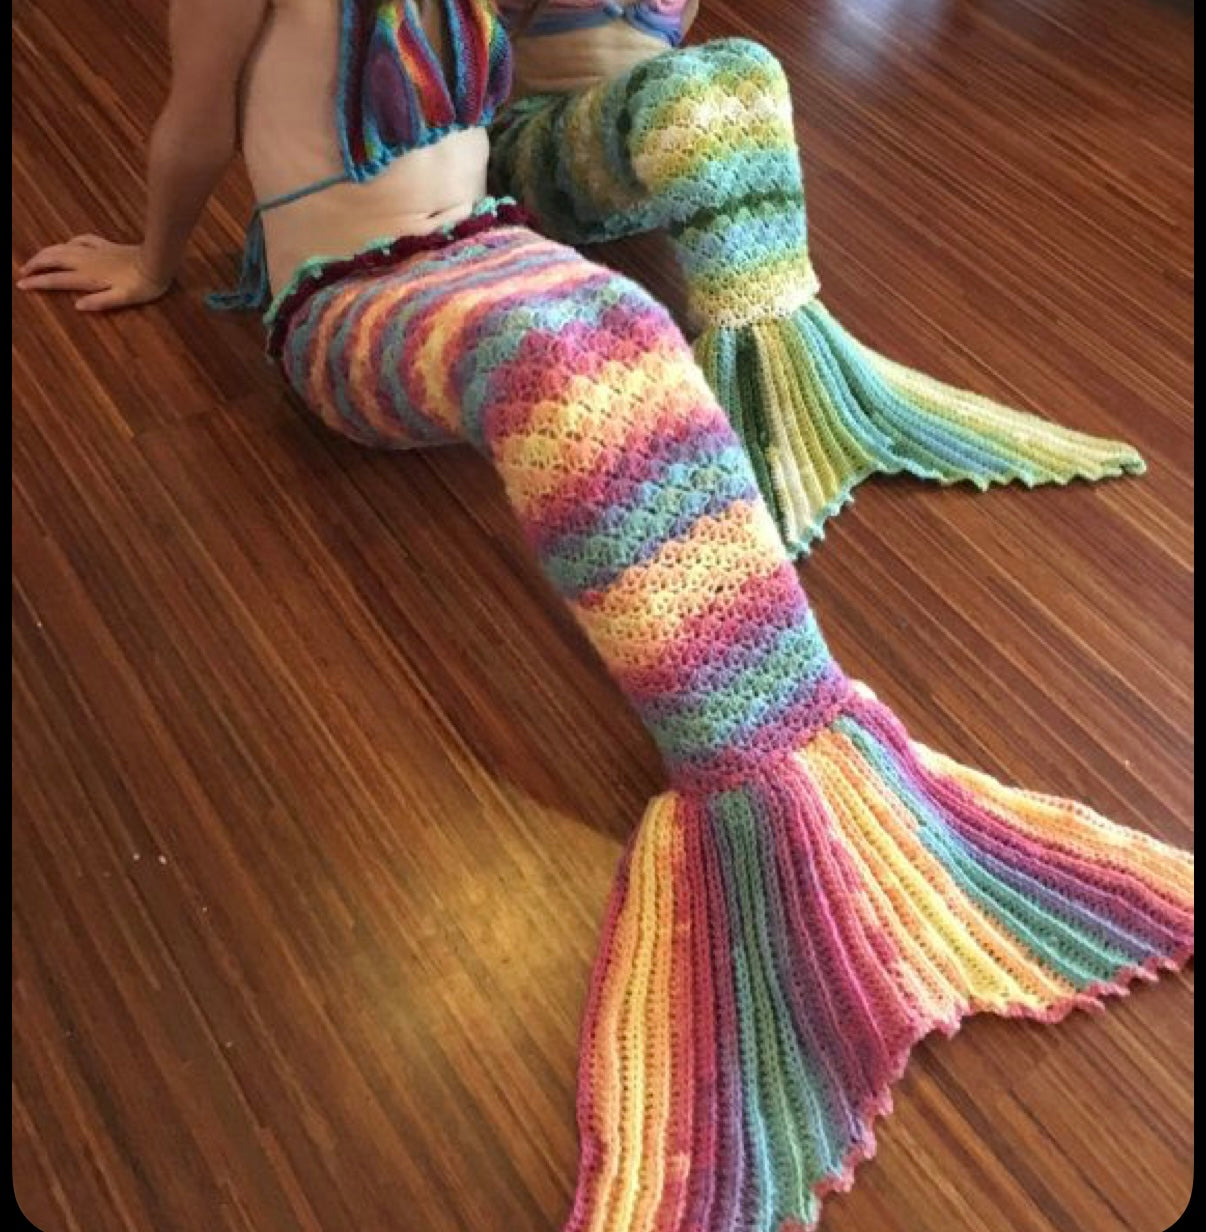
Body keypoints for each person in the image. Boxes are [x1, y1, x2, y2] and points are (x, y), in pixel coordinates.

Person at [15, 5, 1193, 1229]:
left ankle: (800, 758)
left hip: (481, 238)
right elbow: (197, 119)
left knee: (628, 322)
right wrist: (152, 259)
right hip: (343, 302)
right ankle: (754, 794)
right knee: (546, 355)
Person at [489, 0, 1144, 555]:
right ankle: (756, 384)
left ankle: (779, 344)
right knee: (676, 86)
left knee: (746, 63)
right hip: (535, 161)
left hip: (635, 163)